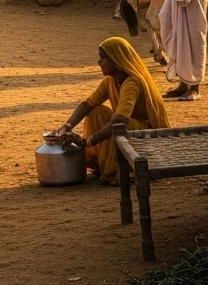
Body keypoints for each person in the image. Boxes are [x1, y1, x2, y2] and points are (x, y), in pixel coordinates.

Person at [51, 37, 170, 184]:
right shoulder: (110, 81)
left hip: (145, 136)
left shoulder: (132, 83)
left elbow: (120, 121)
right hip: (127, 129)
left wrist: (88, 141)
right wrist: (66, 127)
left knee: (118, 124)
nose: (99, 63)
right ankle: (105, 162)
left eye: (102, 58)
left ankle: (123, 168)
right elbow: (87, 105)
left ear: (116, 60)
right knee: (97, 111)